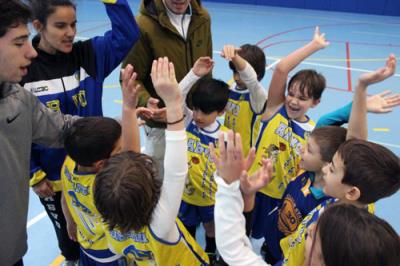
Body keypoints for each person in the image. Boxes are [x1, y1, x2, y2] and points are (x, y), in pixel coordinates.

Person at [20, 0, 139, 263]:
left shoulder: (90, 54)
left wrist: (114, 1)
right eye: (60, 26)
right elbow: (17, 126)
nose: (71, 32)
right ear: (39, 26)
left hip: (100, 170)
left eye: (73, 24)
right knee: (68, 235)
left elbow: (128, 33)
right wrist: (33, 173)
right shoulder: (24, 68)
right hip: (54, 179)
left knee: (111, 227)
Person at [211, 131, 400, 266]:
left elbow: (234, 250)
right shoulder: (351, 208)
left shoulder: (344, 214)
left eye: (316, 237)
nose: (311, 226)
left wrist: (229, 184)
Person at [279, 54, 400, 266]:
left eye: (332, 169)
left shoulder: (346, 222)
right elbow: (354, 144)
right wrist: (361, 89)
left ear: (352, 192)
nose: (326, 170)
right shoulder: (347, 193)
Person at [93, 57, 209, 265]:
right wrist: (174, 104)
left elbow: (128, 163)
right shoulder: (160, 223)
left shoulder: (108, 217)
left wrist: (129, 108)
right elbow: (175, 170)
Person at [0, 1, 78, 265]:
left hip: (11, 253)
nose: (32, 53)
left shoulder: (16, 97)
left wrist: (127, 117)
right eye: (19, 42)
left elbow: (64, 128)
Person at [247, 27, 329, 241]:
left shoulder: (313, 132)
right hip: (253, 187)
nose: (293, 100)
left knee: (271, 236)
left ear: (315, 102)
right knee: (242, 233)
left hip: (283, 197)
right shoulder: (275, 109)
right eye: (290, 94)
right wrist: (313, 46)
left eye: (302, 98)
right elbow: (282, 69)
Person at [60, 65, 141, 265]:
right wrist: (129, 108)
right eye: (118, 150)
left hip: (87, 245)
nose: (123, 151)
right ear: (101, 164)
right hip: (112, 252)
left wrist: (70, 221)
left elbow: (64, 198)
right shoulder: (104, 186)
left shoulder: (70, 162)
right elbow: (134, 159)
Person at [122, 0, 212, 177]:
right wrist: (146, 101)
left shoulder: (203, 19)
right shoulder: (142, 26)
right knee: (162, 181)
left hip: (195, 119)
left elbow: (206, 67)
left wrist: (207, 106)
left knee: (191, 178)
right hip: (162, 125)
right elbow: (130, 78)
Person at [222, 44, 267, 157]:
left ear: (259, 74)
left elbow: (250, 78)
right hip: (225, 153)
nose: (236, 77)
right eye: (234, 72)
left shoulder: (257, 96)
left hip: (245, 160)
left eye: (240, 73)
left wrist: (235, 57)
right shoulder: (230, 87)